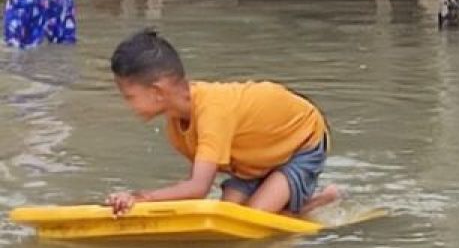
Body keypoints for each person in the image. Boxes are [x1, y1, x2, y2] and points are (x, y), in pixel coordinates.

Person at [105, 29, 338, 216]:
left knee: (252, 220)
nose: (128, 105)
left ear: (157, 92)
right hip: (255, 158)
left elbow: (198, 188)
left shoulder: (212, 113)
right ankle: (290, 201)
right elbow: (196, 183)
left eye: (130, 97)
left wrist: (139, 198)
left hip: (302, 141)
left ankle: (312, 205)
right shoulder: (176, 125)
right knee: (229, 212)